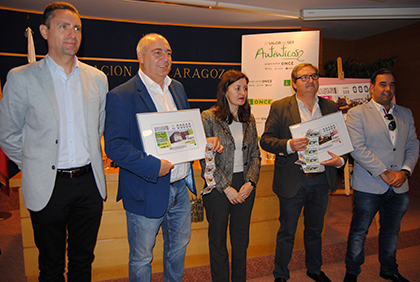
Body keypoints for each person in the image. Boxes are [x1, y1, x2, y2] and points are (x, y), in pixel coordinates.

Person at [0, 2, 108, 281]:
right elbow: (8, 133)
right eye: (64, 26)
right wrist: (33, 162)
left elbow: (97, 127)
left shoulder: (97, 79)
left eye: (77, 28)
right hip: (48, 186)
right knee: (50, 264)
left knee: (83, 261)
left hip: (88, 184)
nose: (72, 33)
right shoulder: (21, 78)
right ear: (44, 31)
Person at [104, 33, 222, 282]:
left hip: (180, 186)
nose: (165, 58)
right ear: (140, 56)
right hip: (145, 188)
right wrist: (153, 166)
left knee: (178, 249)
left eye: (168, 53)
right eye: (157, 52)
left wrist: (203, 142)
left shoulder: (177, 88)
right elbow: (114, 146)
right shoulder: (121, 95)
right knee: (142, 258)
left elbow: (182, 135)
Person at [260, 63, 345, 282]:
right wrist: (289, 145)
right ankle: (281, 274)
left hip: (320, 179)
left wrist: (339, 161)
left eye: (314, 76)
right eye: (304, 77)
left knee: (315, 230)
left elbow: (341, 143)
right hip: (293, 180)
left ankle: (314, 269)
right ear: (293, 83)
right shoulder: (280, 107)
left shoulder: (331, 108)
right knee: (287, 231)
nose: (310, 80)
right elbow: (266, 140)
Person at [343, 69, 419, 282]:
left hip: (399, 186)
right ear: (372, 88)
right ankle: (352, 272)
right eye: (383, 84)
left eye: (392, 85)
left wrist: (405, 171)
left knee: (392, 232)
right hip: (369, 185)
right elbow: (357, 148)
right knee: (359, 232)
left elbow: (413, 145)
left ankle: (389, 269)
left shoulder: (405, 113)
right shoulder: (357, 113)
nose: (388, 89)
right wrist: (384, 173)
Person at [200, 70, 261, 282]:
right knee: (218, 240)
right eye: (237, 88)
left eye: (245, 88)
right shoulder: (209, 117)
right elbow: (206, 159)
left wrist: (250, 182)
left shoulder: (249, 118)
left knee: (241, 239)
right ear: (225, 90)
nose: (242, 92)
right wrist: (226, 188)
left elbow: (255, 154)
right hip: (218, 188)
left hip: (244, 184)